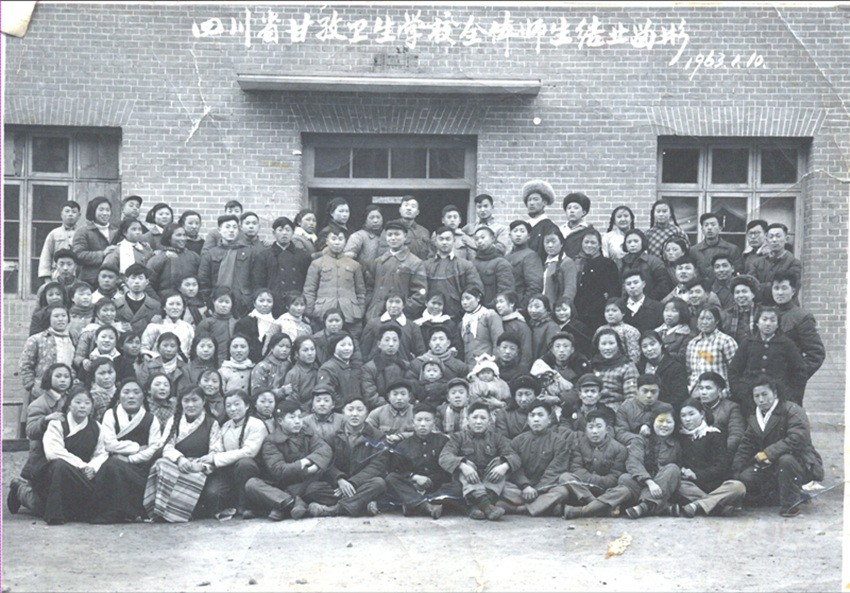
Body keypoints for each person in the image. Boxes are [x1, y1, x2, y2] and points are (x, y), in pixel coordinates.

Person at [732, 376, 824, 517]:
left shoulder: (792, 410)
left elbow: (797, 438)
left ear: (775, 393)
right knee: (746, 477)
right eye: (756, 396)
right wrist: (736, 469)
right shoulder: (755, 416)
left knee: (786, 460)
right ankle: (782, 495)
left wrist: (768, 453)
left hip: (800, 461)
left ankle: (790, 505)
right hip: (770, 464)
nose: (761, 400)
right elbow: (747, 444)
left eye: (764, 394)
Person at [23, 387, 107, 525]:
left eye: (87, 403)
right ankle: (22, 492)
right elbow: (53, 452)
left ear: (92, 406)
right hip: (52, 474)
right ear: (69, 405)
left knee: (81, 511)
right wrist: (82, 466)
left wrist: (92, 467)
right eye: (78, 402)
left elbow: (101, 452)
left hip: (82, 475)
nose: (82, 406)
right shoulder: (57, 423)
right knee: (59, 466)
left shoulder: (96, 427)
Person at [243, 399, 334, 521]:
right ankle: (294, 503)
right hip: (282, 486)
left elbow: (325, 449)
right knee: (252, 484)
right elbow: (278, 470)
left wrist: (312, 465)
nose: (297, 421)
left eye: (299, 417)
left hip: (306, 483)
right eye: (292, 417)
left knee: (316, 488)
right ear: (280, 421)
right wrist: (304, 464)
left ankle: (282, 507)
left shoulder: (307, 433)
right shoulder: (271, 441)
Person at [143, 387, 223, 522]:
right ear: (181, 402)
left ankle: (177, 513)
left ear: (203, 401)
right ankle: (161, 512)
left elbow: (216, 452)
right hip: (177, 464)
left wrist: (202, 466)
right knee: (161, 464)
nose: (190, 405)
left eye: (195, 400)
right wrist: (179, 459)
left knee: (211, 493)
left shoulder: (211, 423)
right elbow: (166, 446)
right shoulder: (174, 420)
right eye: (186, 401)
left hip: (199, 467)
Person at [90, 378, 164, 523]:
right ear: (119, 396)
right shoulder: (110, 414)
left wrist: (129, 459)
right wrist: (137, 447)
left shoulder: (151, 419)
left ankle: (122, 512)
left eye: (136, 392)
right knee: (112, 465)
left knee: (115, 464)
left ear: (143, 396)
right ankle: (114, 512)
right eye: (126, 392)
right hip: (111, 467)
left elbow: (154, 448)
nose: (131, 396)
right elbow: (108, 444)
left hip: (140, 470)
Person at [7, 363, 75, 516]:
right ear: (48, 378)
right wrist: (45, 420)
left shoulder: (73, 400)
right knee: (44, 507)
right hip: (42, 460)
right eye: (58, 376)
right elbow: (30, 431)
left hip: (66, 455)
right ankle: (20, 489)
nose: (63, 380)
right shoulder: (39, 403)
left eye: (66, 376)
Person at [308, 396, 389, 518]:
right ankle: (361, 503)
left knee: (379, 483)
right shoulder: (333, 436)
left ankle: (335, 509)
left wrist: (353, 482)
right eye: (350, 410)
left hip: (362, 483)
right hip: (340, 485)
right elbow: (327, 463)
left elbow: (377, 466)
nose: (354, 414)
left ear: (367, 413)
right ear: (343, 413)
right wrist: (339, 479)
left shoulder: (377, 437)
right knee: (312, 489)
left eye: (359, 410)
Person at [439, 402, 520, 521]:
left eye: (483, 418)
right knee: (466, 463)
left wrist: (504, 466)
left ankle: (476, 506)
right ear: (468, 419)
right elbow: (444, 457)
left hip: (489, 481)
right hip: (466, 481)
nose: (478, 422)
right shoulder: (458, 437)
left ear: (489, 421)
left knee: (500, 461)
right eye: (475, 417)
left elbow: (514, 457)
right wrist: (463, 466)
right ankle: (487, 507)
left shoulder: (497, 438)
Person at [675, 398, 747, 518]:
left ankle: (697, 505)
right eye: (683, 415)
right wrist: (683, 471)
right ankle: (718, 507)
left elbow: (721, 466)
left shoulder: (714, 434)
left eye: (691, 414)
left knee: (738, 487)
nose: (687, 419)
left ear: (702, 414)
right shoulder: (680, 437)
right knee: (677, 485)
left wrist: (697, 475)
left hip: (715, 485)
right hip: (692, 487)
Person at [385, 403, 458, 519]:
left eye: (427, 420)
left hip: (437, 486)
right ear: (413, 422)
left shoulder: (443, 441)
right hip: (413, 487)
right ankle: (426, 506)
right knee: (391, 479)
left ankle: (413, 504)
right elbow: (396, 470)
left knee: (457, 486)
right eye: (419, 420)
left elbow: (447, 469)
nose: (423, 424)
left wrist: (431, 480)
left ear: (434, 422)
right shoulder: (403, 445)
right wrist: (414, 477)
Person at [499, 401, 573, 516]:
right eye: (532, 415)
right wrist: (525, 486)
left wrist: (537, 490)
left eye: (540, 415)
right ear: (528, 420)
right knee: (502, 487)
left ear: (549, 420)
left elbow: (555, 470)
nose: (536, 419)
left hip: (546, 488)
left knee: (562, 492)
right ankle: (544, 506)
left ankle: (519, 509)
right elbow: (515, 468)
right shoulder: (517, 441)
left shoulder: (559, 442)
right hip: (521, 489)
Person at [728, 305, 807, 409]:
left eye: (772, 320)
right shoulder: (748, 343)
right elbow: (734, 370)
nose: (768, 323)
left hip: (778, 398)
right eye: (764, 319)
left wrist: (788, 394)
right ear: (757, 323)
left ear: (777, 324)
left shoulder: (787, 344)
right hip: (749, 398)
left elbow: (800, 372)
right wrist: (740, 392)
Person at [559, 408, 629, 519]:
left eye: (599, 427)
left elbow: (615, 476)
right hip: (583, 490)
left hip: (606, 491)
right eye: (591, 427)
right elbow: (576, 469)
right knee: (565, 477)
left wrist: (597, 483)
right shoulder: (578, 444)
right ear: (586, 429)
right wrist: (592, 483)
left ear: (607, 429)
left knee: (625, 490)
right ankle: (597, 505)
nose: (594, 431)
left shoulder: (619, 449)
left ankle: (580, 511)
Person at [209, 389, 268, 518]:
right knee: (213, 493)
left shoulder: (256, 425)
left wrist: (216, 458)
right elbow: (220, 449)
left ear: (247, 406)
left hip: (253, 470)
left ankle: (246, 506)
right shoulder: (225, 426)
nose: (233, 409)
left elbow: (249, 452)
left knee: (244, 464)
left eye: (237, 404)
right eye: (228, 406)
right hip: (228, 470)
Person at [19, 304, 76, 436]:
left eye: (63, 316)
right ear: (48, 319)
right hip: (42, 391)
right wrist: (32, 386)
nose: (60, 319)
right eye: (56, 316)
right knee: (43, 427)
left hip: (67, 390)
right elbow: (25, 364)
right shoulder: (36, 339)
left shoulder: (72, 338)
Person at [771, 272, 825, 404]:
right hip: (767, 381)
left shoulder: (802, 317)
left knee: (790, 414)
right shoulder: (768, 314)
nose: (780, 292)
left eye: (784, 288)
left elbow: (816, 353)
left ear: (793, 291)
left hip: (790, 384)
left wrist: (797, 376)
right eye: (776, 288)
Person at [621, 411, 682, 519]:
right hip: (644, 482)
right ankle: (663, 507)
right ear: (653, 423)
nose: (664, 425)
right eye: (660, 421)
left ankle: (643, 507)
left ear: (675, 424)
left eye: (669, 422)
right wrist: (650, 482)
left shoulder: (676, 444)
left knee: (673, 469)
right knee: (624, 478)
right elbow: (634, 462)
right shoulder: (640, 440)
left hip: (664, 483)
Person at [304, 229, 366, 330]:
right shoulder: (317, 263)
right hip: (322, 312)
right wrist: (310, 312)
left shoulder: (354, 265)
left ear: (345, 241)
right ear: (327, 241)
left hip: (349, 313)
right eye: (333, 239)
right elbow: (309, 290)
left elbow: (361, 292)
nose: (337, 242)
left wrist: (360, 311)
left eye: (340, 239)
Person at [251, 216, 311, 317]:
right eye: (280, 230)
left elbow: (308, 283)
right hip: (273, 304)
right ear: (274, 233)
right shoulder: (264, 256)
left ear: (293, 232)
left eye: (287, 230)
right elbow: (258, 283)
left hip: (295, 304)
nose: (284, 233)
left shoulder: (303, 255)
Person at [367, 220, 428, 320]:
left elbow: (420, 293)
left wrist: (404, 309)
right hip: (375, 315)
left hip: (401, 316)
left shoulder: (415, 263)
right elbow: (369, 287)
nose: (393, 238)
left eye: (397, 234)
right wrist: (371, 308)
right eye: (389, 235)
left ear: (405, 237)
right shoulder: (378, 262)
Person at [198, 214, 256, 317]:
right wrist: (209, 302)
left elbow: (256, 279)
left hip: (243, 303)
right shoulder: (211, 254)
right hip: (217, 303)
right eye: (227, 227)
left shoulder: (249, 253)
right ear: (219, 230)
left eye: (235, 227)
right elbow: (203, 281)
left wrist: (249, 300)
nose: (231, 230)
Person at [425, 225, 484, 319]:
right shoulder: (426, 266)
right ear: (435, 241)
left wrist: (464, 308)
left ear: (454, 241)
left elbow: (475, 288)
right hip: (430, 316)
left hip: (457, 316)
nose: (444, 242)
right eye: (441, 239)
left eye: (448, 239)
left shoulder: (465, 265)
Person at [574, 229, 620, 332]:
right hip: (580, 313)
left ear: (599, 245)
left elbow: (613, 292)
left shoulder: (607, 264)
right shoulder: (579, 263)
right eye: (586, 242)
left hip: (598, 315)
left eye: (593, 242)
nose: (589, 245)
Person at [685, 306, 738, 391]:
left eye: (708, 319)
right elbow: (689, 371)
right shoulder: (692, 343)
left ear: (717, 321)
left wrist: (726, 391)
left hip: (719, 391)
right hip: (695, 391)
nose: (704, 322)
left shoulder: (726, 341)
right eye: (701, 318)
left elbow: (735, 370)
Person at [72, 196, 119, 287]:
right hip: (90, 281)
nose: (105, 213)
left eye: (108, 210)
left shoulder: (116, 231)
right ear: (93, 211)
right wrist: (103, 253)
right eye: (101, 210)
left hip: (113, 281)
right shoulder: (83, 232)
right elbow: (78, 255)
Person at [614, 374, 673, 446]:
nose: (649, 395)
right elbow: (620, 433)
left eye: (653, 392)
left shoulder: (666, 408)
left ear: (659, 391)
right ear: (637, 391)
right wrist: (640, 440)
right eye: (645, 391)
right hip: (634, 445)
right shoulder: (625, 408)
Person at [695, 372, 745, 457]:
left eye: (708, 388)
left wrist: (719, 452)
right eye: (701, 388)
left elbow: (736, 435)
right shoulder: (695, 407)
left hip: (723, 453)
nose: (703, 392)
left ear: (719, 390)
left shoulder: (731, 408)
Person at [749, 223, 802, 303]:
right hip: (762, 307)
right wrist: (773, 286)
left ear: (786, 239)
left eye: (778, 236)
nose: (774, 240)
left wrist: (761, 287)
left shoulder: (794, 263)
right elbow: (751, 288)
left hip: (786, 307)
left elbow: (792, 289)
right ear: (766, 240)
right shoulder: (756, 263)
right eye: (771, 237)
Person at [146, 223, 202, 299]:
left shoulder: (194, 257)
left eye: (184, 235)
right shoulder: (158, 259)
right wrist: (158, 302)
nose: (183, 238)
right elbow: (147, 284)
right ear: (169, 238)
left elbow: (202, 280)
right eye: (178, 235)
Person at [361, 325, 409, 410]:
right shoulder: (369, 368)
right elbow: (371, 396)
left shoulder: (406, 366)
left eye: (395, 340)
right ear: (379, 344)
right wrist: (390, 409)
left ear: (399, 344)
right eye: (387, 340)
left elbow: (411, 391)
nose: (391, 344)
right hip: (380, 411)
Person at [637, 331, 688, 408]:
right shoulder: (639, 367)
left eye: (652, 344)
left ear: (660, 344)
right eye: (645, 346)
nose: (649, 349)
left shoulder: (675, 367)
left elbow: (679, 396)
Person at [344, 205, 384, 302]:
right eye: (371, 217)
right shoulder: (358, 236)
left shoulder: (387, 236)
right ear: (365, 220)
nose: (375, 220)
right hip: (364, 282)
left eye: (378, 217)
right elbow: (347, 258)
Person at [590, 328, 639, 408]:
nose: (607, 348)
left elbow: (632, 397)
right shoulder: (593, 365)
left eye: (611, 343)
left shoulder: (627, 366)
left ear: (618, 345)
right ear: (598, 346)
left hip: (616, 408)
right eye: (603, 344)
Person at [689, 212, 743, 283]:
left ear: (720, 228)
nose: (709, 228)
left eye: (713, 224)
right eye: (706, 225)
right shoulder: (694, 251)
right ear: (702, 229)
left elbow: (737, 273)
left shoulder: (732, 249)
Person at [621, 228, 672, 301]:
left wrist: (646, 301)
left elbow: (663, 285)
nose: (632, 245)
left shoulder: (654, 261)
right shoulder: (621, 262)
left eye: (636, 241)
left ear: (642, 242)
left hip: (651, 302)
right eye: (629, 242)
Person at [140, 291, 195, 359]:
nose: (175, 307)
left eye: (178, 304)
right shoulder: (154, 326)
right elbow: (144, 349)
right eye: (171, 304)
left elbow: (190, 352)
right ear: (164, 307)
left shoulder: (188, 328)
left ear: (183, 308)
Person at [315, 332, 361, 412]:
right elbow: (327, 392)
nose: (347, 348)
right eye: (342, 345)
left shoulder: (353, 366)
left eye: (350, 345)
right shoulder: (328, 368)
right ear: (334, 347)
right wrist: (344, 407)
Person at [38, 201, 82, 284]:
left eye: (74, 212)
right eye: (67, 211)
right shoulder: (54, 233)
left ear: (79, 215)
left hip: (78, 275)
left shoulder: (83, 233)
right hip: (57, 275)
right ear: (61, 214)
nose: (70, 214)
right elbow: (46, 256)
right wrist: (47, 278)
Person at [233, 288, 280, 364]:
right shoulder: (244, 323)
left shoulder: (277, 323)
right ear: (254, 303)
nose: (265, 304)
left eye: (269, 301)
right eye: (261, 301)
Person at [138, 332, 192, 397]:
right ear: (158, 348)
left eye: (172, 346)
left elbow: (186, 391)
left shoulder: (185, 368)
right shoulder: (149, 366)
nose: (169, 350)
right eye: (165, 346)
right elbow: (143, 387)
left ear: (178, 349)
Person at [505, 220, 544, 310]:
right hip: (507, 305)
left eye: (522, 231)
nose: (518, 234)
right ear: (510, 235)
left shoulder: (531, 256)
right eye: (515, 231)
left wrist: (523, 306)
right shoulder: (507, 256)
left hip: (520, 306)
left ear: (528, 236)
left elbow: (535, 286)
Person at [471, 226, 515, 306]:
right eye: (476, 239)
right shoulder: (473, 263)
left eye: (483, 237)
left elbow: (505, 292)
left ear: (492, 239)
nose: (479, 241)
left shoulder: (501, 263)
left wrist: (489, 307)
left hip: (494, 309)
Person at [459, 287, 503, 365]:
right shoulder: (463, 321)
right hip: (469, 365)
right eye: (462, 299)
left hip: (487, 364)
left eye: (468, 298)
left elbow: (498, 341)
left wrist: (494, 361)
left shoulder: (489, 315)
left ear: (478, 298)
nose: (464, 302)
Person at [380, 196, 432, 261]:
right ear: (400, 210)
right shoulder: (390, 229)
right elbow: (382, 252)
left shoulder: (424, 232)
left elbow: (430, 255)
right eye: (406, 205)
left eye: (413, 206)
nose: (409, 208)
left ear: (417, 212)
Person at [113, 264, 161, 334]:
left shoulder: (155, 306)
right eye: (133, 278)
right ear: (126, 280)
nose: (136, 282)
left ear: (147, 282)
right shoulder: (116, 304)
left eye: (140, 278)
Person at [196, 287, 238, 366]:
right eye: (220, 301)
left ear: (232, 304)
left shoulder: (236, 323)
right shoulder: (207, 323)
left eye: (227, 302)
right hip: (210, 363)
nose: (223, 305)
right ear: (213, 301)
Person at [521, 179, 560, 263]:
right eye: (529, 200)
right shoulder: (524, 227)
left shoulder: (550, 227)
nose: (531, 203)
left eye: (535, 199)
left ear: (544, 203)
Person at [414, 293, 463, 358]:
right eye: (433, 303)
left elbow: (457, 345)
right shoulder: (418, 324)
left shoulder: (449, 323)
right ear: (426, 303)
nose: (436, 307)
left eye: (439, 304)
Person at [366, 379, 415, 443]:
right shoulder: (377, 413)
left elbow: (426, 433)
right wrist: (383, 439)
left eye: (403, 394)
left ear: (409, 396)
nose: (399, 398)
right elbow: (366, 431)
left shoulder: (417, 412)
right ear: (389, 396)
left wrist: (402, 436)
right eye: (395, 394)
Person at [494, 292, 533, 369]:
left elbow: (526, 352)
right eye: (497, 302)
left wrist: (522, 370)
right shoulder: (496, 322)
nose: (498, 305)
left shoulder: (521, 326)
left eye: (501, 302)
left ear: (512, 303)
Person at [595, 298, 641, 364]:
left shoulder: (630, 331)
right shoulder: (600, 330)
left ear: (623, 313)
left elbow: (634, 357)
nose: (610, 313)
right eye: (607, 311)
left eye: (614, 311)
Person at [540, 227, 578, 307]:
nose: (550, 245)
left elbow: (570, 289)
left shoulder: (567, 263)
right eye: (547, 242)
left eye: (553, 242)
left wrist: (562, 307)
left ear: (561, 243)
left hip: (557, 309)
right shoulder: (544, 263)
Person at [250, 333, 293, 401]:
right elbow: (256, 392)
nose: (284, 349)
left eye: (288, 347)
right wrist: (280, 392)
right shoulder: (262, 367)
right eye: (281, 346)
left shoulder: (290, 366)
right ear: (272, 347)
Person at [493, 374, 538, 439]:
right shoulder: (504, 414)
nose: (523, 399)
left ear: (535, 395)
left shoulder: (545, 412)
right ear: (514, 396)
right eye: (519, 395)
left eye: (528, 394)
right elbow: (502, 440)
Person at [622, 270, 664, 335]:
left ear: (643, 284)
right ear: (624, 287)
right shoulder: (620, 307)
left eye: (636, 282)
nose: (632, 286)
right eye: (628, 284)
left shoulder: (658, 307)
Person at [285, 336, 320, 412]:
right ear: (297, 353)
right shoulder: (293, 374)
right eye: (305, 350)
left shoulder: (319, 369)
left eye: (312, 349)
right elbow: (292, 400)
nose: (310, 353)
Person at [654, 298, 693, 364]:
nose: (668, 314)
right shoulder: (656, 332)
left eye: (674, 311)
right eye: (666, 310)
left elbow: (683, 358)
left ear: (682, 313)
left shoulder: (687, 335)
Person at [723, 275, 760, 345]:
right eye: (737, 292)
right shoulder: (727, 314)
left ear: (753, 294)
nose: (740, 295)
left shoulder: (760, 312)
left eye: (744, 292)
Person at [560, 192, 595, 259]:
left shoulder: (588, 230)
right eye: (569, 208)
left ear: (583, 212)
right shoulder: (561, 230)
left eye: (576, 208)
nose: (572, 211)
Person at [527, 294, 561, 362]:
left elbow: (553, 351)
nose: (533, 310)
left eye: (537, 307)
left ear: (546, 308)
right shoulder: (530, 324)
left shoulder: (552, 326)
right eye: (530, 306)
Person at [87, 357, 119, 423]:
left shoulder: (122, 393)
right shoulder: (91, 397)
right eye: (102, 373)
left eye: (110, 372)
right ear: (94, 376)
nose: (107, 377)